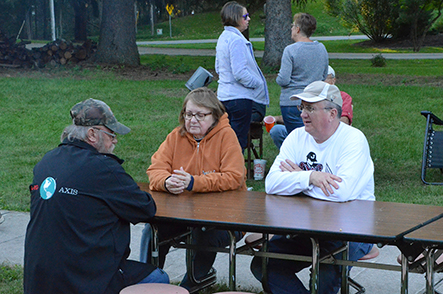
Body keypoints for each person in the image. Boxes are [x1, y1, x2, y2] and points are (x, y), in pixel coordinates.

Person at [24, 98, 169, 294]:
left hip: (39, 279)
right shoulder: (103, 168)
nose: (115, 140)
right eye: (111, 134)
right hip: (83, 279)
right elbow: (145, 208)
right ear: (92, 134)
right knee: (158, 279)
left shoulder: (46, 161)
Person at [251, 81, 375, 294]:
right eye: (302, 107)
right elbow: (271, 184)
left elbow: (341, 192)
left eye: (310, 108)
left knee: (325, 274)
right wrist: (311, 177)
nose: (302, 114)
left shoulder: (353, 140)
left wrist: (297, 179)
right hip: (305, 224)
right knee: (264, 263)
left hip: (352, 228)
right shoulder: (297, 137)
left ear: (332, 113)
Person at [141, 87, 245, 292]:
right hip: (182, 214)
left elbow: (234, 177)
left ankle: (191, 285)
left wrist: (193, 182)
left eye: (200, 115)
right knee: (152, 230)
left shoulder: (227, 136)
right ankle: (148, 282)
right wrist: (167, 181)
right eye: (188, 114)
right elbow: (155, 169)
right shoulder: (175, 137)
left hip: (224, 218)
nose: (193, 120)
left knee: (204, 233)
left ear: (214, 116)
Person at [215, 1, 269, 151]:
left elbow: (218, 67)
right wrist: (257, 83)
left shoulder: (223, 37)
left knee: (226, 138)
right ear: (235, 18)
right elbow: (240, 73)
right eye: (245, 16)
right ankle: (235, 171)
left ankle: (225, 169)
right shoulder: (237, 40)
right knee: (238, 140)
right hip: (239, 98)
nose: (249, 19)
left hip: (224, 96)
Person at [275, 12, 328, 145]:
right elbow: (323, 75)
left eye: (293, 26)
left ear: (298, 29)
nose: (291, 29)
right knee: (312, 139)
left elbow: (284, 80)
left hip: (292, 103)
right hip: (315, 101)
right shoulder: (321, 49)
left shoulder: (290, 50)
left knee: (297, 141)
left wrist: (278, 77)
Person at [270, 65, 353, 149]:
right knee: (277, 130)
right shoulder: (308, 96)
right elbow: (293, 117)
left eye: (324, 78)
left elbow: (343, 122)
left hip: (323, 134)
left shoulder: (342, 97)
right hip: (302, 129)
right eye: (317, 78)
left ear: (333, 81)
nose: (320, 81)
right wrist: (276, 118)